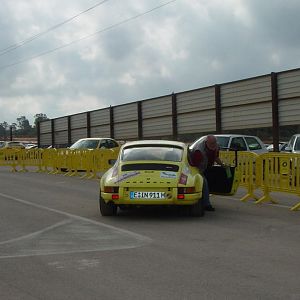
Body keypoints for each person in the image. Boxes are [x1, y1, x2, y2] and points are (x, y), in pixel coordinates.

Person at [190, 135, 223, 211]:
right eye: (211, 144)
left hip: (207, 167)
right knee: (204, 183)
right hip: (197, 169)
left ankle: (203, 199)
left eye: (214, 144)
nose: (213, 146)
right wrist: (199, 175)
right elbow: (194, 166)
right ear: (206, 142)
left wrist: (222, 165)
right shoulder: (198, 151)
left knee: (210, 181)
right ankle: (207, 204)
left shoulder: (216, 146)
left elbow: (216, 157)